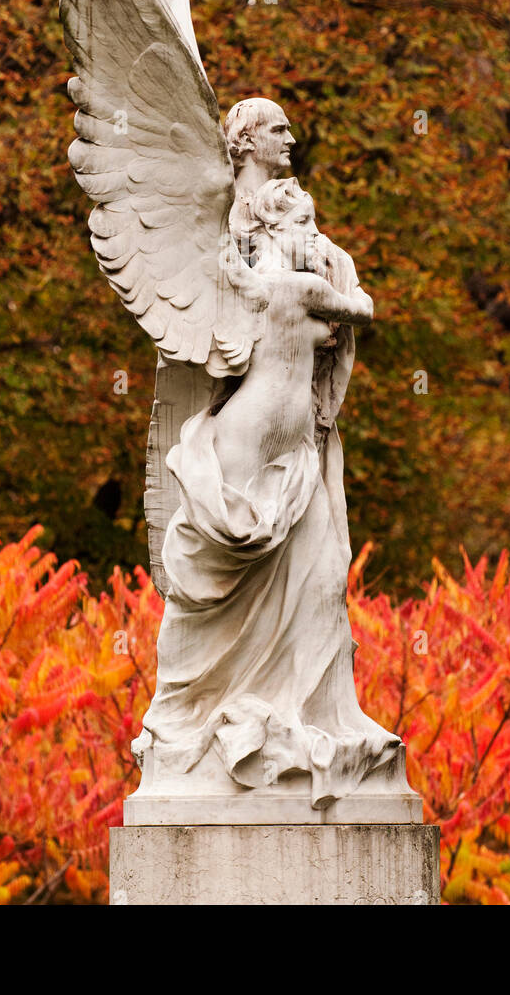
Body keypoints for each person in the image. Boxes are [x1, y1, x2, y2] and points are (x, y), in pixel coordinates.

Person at [132, 179, 402, 808]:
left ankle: (317, 713)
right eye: (305, 224)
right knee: (230, 578)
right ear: (278, 233)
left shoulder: (251, 286)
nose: (316, 236)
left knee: (327, 574)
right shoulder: (298, 287)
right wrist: (342, 277)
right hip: (253, 445)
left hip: (293, 453)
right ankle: (185, 718)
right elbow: (361, 307)